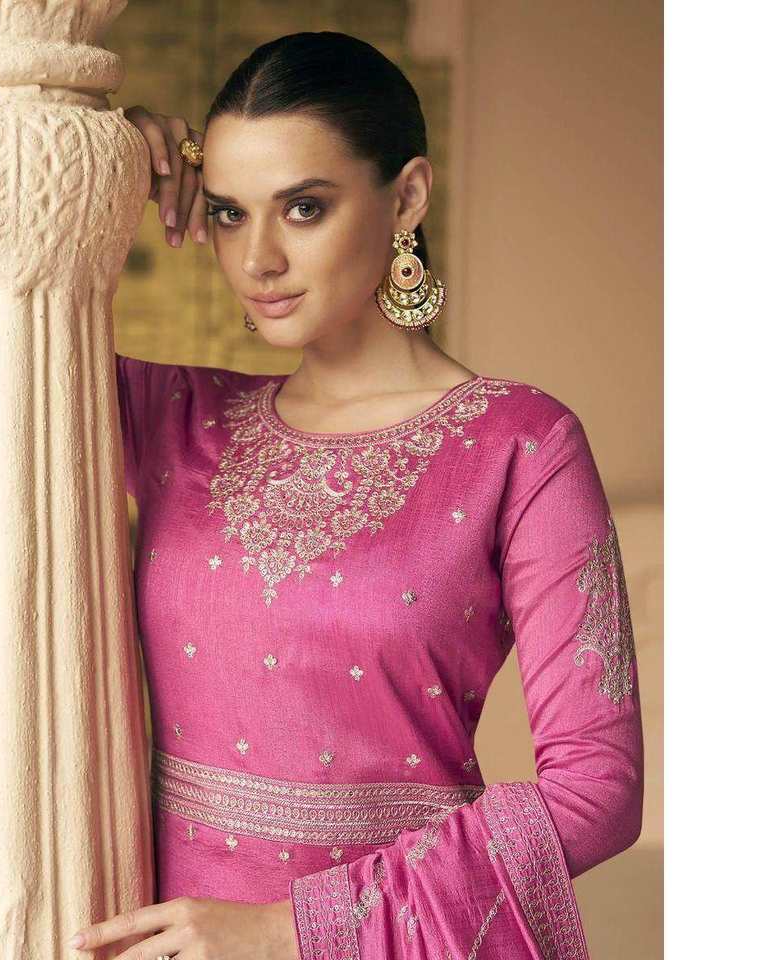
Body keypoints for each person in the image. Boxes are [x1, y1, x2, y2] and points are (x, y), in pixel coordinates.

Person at [66, 31, 643, 960]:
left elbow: (597, 791)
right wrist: (100, 169)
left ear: (406, 196)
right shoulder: (171, 417)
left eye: (304, 208)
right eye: (228, 213)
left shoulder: (520, 444)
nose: (257, 258)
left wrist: (289, 929)